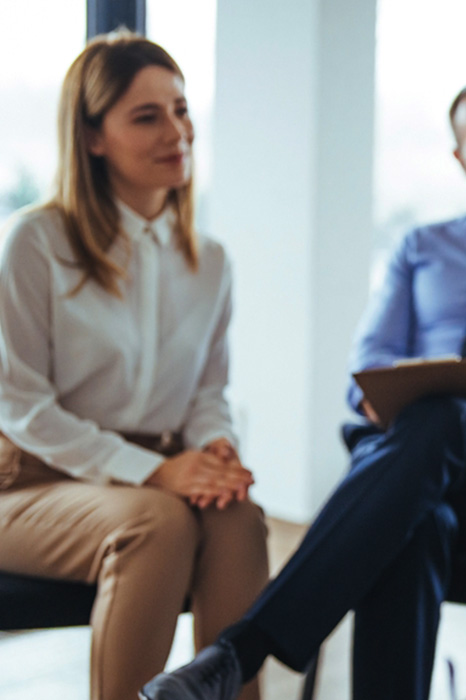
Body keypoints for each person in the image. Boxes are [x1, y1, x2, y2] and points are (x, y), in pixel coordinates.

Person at [141, 77, 466, 700]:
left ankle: (236, 654)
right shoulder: (421, 247)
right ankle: (234, 659)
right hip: (419, 466)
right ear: (461, 159)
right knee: (418, 521)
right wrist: (392, 398)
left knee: (443, 422)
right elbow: (368, 372)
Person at [0, 31, 268, 700]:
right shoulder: (36, 241)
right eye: (147, 116)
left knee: (239, 517)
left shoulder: (209, 261)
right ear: (92, 138)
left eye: (180, 110)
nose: (176, 131)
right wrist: (154, 470)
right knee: (156, 521)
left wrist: (216, 447)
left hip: (154, 475)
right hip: (26, 481)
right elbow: (19, 404)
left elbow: (209, 392)